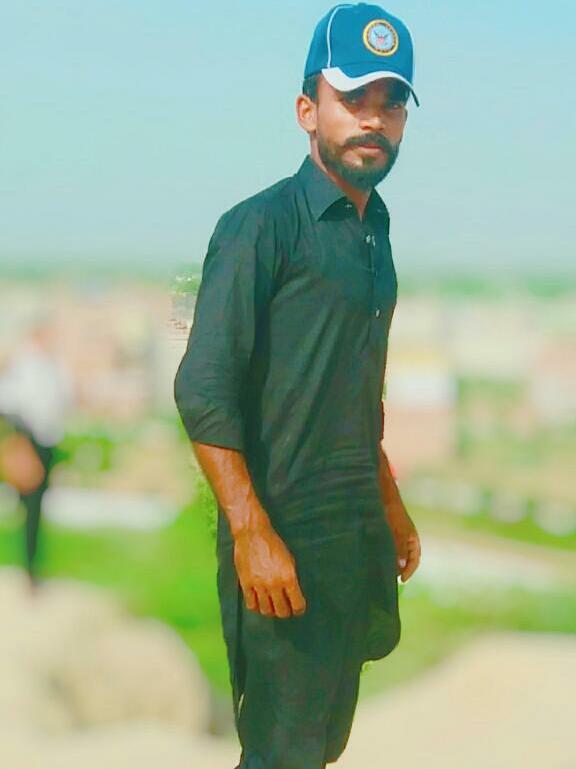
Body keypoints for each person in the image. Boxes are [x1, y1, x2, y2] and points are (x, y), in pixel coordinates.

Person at [174, 4, 422, 767]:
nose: (373, 118)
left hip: (352, 537)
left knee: (318, 748)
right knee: (279, 755)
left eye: (391, 101)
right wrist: (252, 533)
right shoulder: (259, 227)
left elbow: (356, 394)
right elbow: (203, 389)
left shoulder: (375, 234)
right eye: (353, 98)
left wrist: (388, 501)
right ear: (307, 110)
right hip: (281, 544)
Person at [0, 313, 74, 588]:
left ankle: (32, 570)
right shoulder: (24, 364)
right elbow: (9, 403)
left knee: (34, 511)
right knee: (29, 508)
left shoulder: (52, 366)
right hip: (27, 442)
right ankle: (30, 571)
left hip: (45, 442)